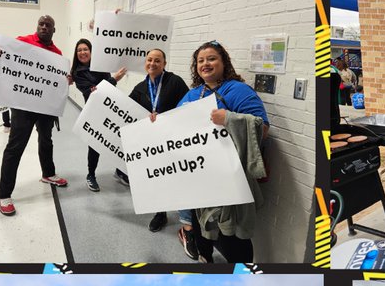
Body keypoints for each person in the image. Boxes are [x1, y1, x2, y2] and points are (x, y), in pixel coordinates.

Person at [176, 41, 270, 262]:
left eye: (211, 59)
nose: (205, 64)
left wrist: (228, 119)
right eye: (200, 60)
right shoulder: (193, 94)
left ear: (223, 62)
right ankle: (205, 259)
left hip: (230, 178)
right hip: (201, 176)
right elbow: (173, 123)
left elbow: (263, 129)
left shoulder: (238, 90)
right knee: (202, 225)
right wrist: (156, 120)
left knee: (233, 235)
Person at [0, 15, 74, 216]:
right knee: (15, 147)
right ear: (37, 26)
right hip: (23, 107)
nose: (44, 27)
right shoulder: (23, 42)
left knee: (46, 140)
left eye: (48, 25)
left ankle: (48, 174)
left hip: (45, 107)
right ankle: (4, 194)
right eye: (41, 24)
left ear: (54, 30)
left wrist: (65, 80)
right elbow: (3, 58)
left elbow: (57, 80)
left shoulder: (58, 54)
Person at [118, 48, 189, 232]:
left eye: (157, 60)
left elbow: (188, 108)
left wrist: (166, 118)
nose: (152, 63)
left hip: (171, 139)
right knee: (155, 176)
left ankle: (186, 218)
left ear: (164, 64)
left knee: (171, 175)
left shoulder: (175, 82)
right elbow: (126, 109)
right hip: (150, 142)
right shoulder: (141, 88)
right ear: (145, 63)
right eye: (149, 60)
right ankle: (160, 213)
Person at [70, 37, 127, 192]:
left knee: (116, 140)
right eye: (79, 50)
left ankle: (120, 171)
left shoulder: (100, 66)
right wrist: (113, 79)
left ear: (91, 51)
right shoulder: (77, 73)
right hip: (94, 111)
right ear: (76, 54)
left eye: (85, 49)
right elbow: (91, 92)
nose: (82, 52)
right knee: (95, 144)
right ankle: (91, 175)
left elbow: (105, 87)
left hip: (109, 107)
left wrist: (109, 82)